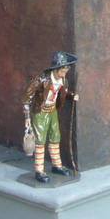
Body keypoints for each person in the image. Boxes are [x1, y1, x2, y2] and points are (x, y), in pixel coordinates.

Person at [22, 52, 78, 184]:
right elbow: (26, 98)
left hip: (52, 112)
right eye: (62, 71)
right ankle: (39, 170)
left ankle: (56, 165)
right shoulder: (42, 81)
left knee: (55, 137)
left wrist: (71, 95)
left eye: (66, 71)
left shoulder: (63, 81)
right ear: (56, 69)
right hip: (40, 112)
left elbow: (61, 94)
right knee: (40, 140)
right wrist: (27, 116)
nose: (64, 74)